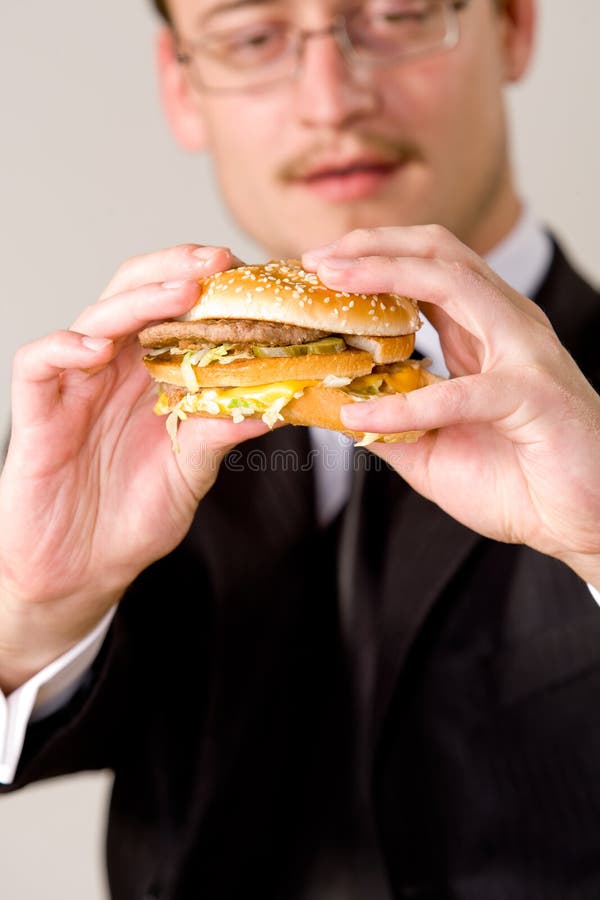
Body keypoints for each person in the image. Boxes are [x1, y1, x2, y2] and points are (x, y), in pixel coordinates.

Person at [1, 0, 599, 897]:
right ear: (181, 83)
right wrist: (29, 615)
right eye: (252, 38)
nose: (331, 101)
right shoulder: (98, 430)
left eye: (396, 16)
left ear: (513, 27)